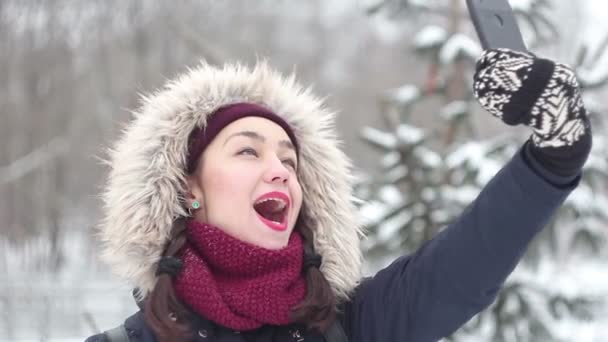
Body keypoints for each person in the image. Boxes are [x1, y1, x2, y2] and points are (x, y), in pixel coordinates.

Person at [86, 48, 592, 342]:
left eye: (289, 159)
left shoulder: (354, 324)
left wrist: (552, 159)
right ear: (187, 186)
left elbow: (461, 270)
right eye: (248, 152)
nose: (280, 171)